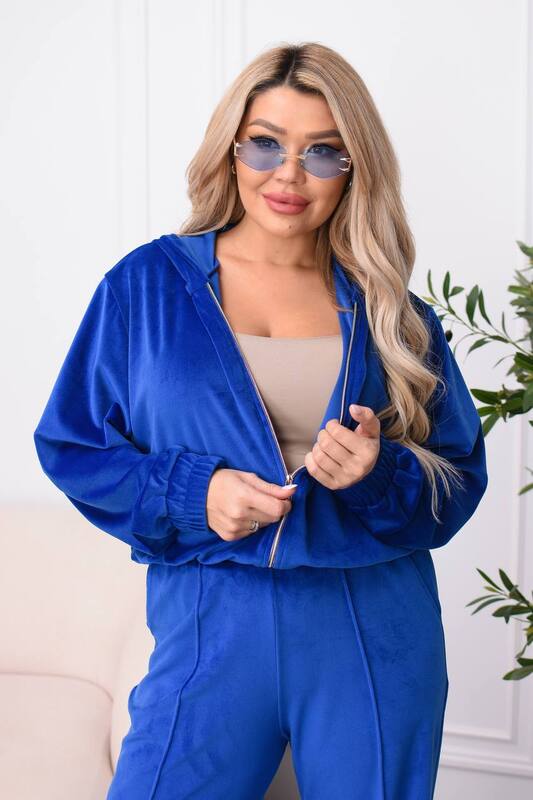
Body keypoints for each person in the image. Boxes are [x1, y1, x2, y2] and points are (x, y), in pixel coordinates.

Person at [33, 41, 488, 800]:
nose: (288, 175)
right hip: (210, 622)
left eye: (323, 152)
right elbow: (73, 445)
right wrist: (195, 493)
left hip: (372, 627)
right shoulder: (146, 287)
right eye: (266, 143)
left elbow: (458, 480)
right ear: (232, 148)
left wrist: (378, 475)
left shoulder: (393, 313)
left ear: (355, 169)